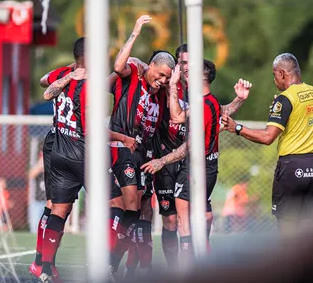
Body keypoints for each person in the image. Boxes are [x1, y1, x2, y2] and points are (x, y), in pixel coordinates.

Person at [132, 44, 252, 270]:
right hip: (167, 159)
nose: (184, 67)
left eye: (188, 63)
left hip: (190, 160)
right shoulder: (165, 84)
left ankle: (197, 264)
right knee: (171, 219)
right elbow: (143, 73)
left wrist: (238, 100)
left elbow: (215, 111)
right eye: (181, 62)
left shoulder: (198, 91)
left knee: (202, 219)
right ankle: (176, 268)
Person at [108, 15, 175, 280]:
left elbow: (176, 116)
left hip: (143, 154)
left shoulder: (161, 91)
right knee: (131, 207)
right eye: (160, 75)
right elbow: (118, 64)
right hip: (122, 146)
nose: (161, 80)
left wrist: (171, 87)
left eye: (166, 78)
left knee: (136, 213)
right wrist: (135, 32)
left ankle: (116, 263)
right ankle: (110, 261)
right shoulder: (134, 72)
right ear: (152, 66)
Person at [222, 53, 313, 234]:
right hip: (311, 166)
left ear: (281, 73)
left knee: (287, 230)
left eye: (274, 75)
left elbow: (267, 137)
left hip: (291, 169)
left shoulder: (285, 98)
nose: (274, 80)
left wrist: (237, 127)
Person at [29, 39, 86, 280]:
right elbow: (45, 88)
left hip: (59, 142)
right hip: (65, 144)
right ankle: (42, 262)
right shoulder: (70, 75)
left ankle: (42, 263)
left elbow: (44, 78)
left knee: (57, 205)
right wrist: (68, 78)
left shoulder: (66, 70)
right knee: (56, 205)